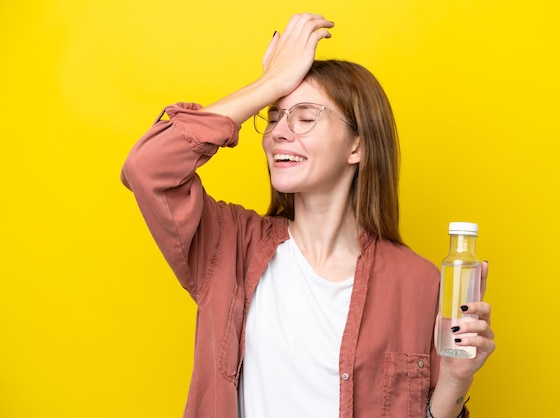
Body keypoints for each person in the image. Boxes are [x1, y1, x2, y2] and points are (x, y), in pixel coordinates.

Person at [121, 13, 495, 418]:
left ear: (358, 147)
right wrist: (269, 85)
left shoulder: (420, 282)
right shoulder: (228, 247)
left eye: (304, 117)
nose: (279, 133)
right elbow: (148, 168)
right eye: (275, 116)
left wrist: (457, 381)